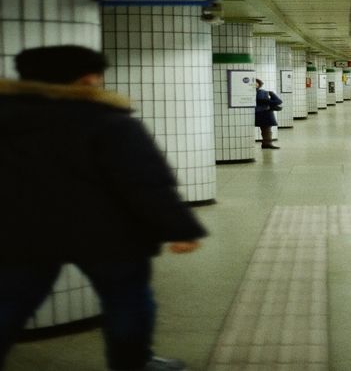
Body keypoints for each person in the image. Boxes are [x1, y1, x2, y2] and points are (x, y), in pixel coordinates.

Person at [0, 45, 207, 371]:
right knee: (126, 298)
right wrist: (179, 228)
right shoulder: (109, 122)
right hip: (107, 234)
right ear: (85, 80)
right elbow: (144, 182)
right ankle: (133, 364)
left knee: (9, 301)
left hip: (20, 231)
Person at [255, 79, 280, 149]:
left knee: (266, 129)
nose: (255, 84)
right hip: (262, 113)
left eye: (256, 83)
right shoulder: (263, 93)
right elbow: (278, 101)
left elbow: (277, 101)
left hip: (264, 113)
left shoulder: (263, 92)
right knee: (266, 130)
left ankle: (267, 143)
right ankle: (267, 143)